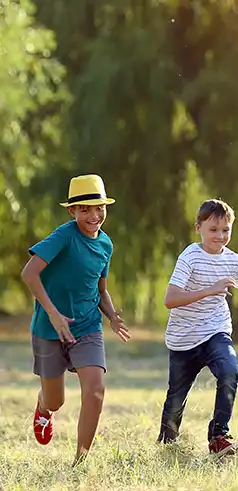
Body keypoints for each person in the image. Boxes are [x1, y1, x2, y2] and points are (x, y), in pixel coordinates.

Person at [21, 174, 129, 466]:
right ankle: (44, 407)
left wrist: (112, 316)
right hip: (49, 328)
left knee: (95, 390)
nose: (94, 215)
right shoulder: (64, 237)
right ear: (72, 211)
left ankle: (80, 462)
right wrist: (54, 314)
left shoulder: (105, 245)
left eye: (99, 208)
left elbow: (101, 289)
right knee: (57, 400)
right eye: (85, 209)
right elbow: (29, 274)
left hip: (87, 326)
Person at [157, 199, 238, 457]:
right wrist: (209, 290)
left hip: (215, 331)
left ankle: (219, 436)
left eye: (226, 230)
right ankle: (167, 446)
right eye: (213, 229)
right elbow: (170, 299)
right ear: (198, 227)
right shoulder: (189, 257)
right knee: (175, 400)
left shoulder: (233, 260)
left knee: (230, 373)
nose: (220, 236)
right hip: (184, 339)